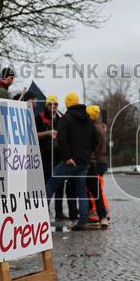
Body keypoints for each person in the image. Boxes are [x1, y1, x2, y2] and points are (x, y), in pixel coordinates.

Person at [45, 91, 97, 231]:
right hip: (84, 162)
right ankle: (83, 220)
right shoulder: (88, 119)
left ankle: (40, 214)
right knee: (81, 190)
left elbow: (61, 139)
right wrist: (86, 154)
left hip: (70, 161)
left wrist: (67, 157)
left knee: (51, 184)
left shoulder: (66, 118)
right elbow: (95, 140)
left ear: (67, 103)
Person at [85, 104, 110, 229]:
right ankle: (102, 211)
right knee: (97, 188)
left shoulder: (94, 129)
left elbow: (97, 149)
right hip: (101, 161)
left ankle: (99, 211)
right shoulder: (99, 128)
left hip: (98, 162)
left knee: (96, 189)